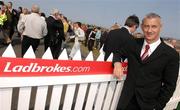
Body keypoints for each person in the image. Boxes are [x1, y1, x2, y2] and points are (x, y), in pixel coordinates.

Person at [113, 13, 179, 110]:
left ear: (160, 27)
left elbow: (170, 86)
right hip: (126, 102)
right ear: (142, 27)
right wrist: (117, 63)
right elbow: (118, 52)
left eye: (154, 26)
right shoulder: (133, 43)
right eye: (146, 26)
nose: (149, 30)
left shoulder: (171, 55)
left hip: (148, 105)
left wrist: (158, 107)